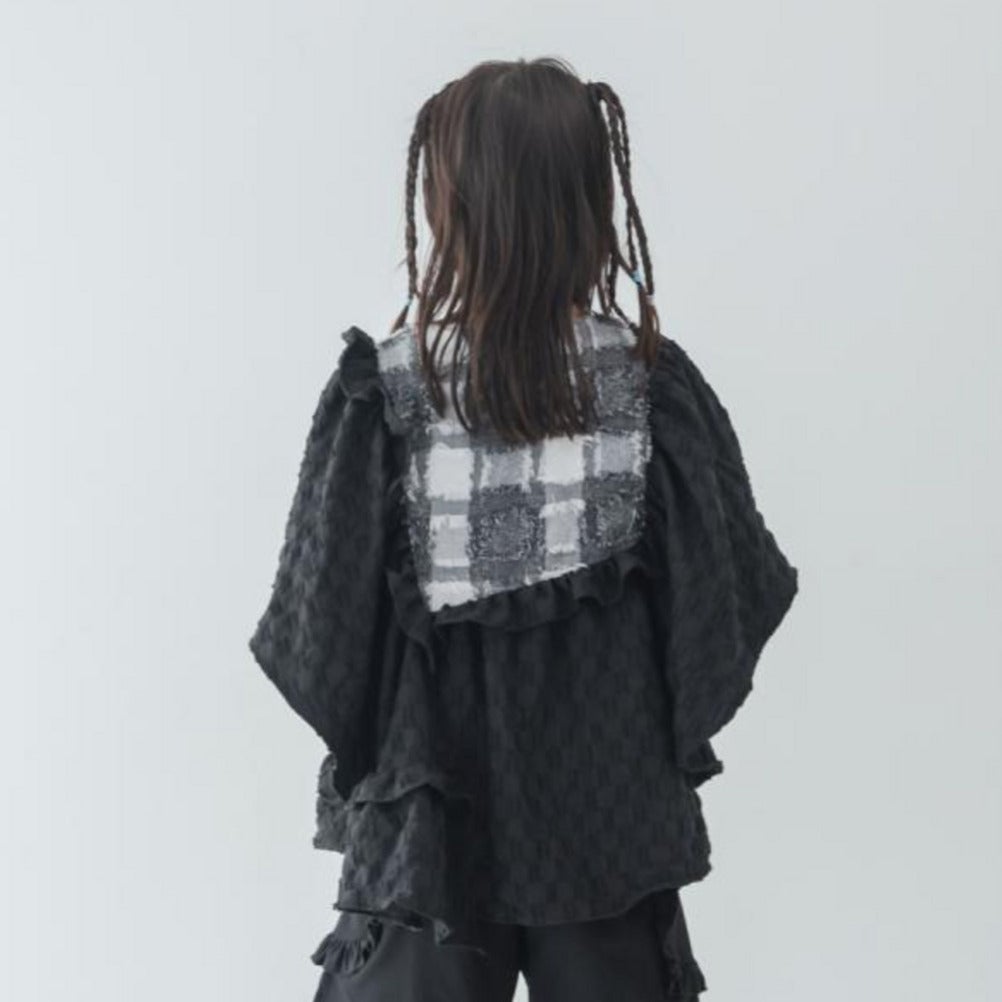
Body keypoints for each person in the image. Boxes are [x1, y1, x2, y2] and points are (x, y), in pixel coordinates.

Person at [248, 56, 799, 1002]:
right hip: (608, 808)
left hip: (429, 820)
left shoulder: (385, 393)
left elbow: (315, 636)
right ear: (589, 203)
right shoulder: (650, 386)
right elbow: (729, 600)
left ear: (449, 204)